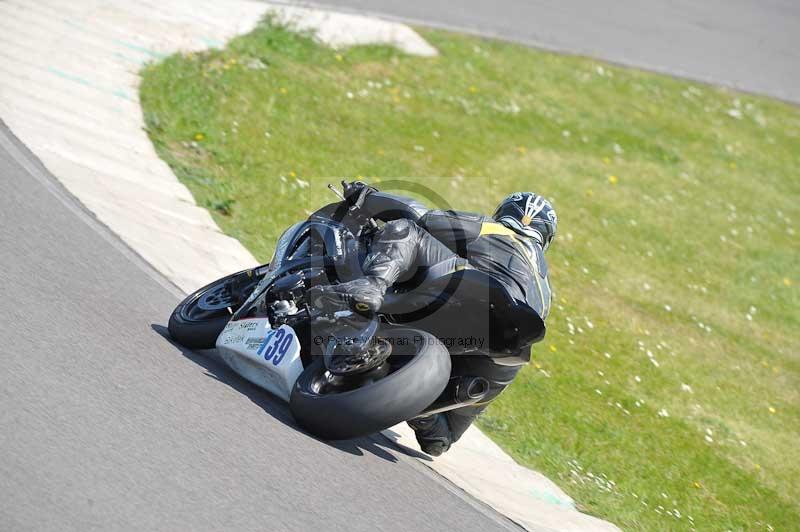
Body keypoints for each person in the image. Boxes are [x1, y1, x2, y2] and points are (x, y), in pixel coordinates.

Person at [308, 182, 556, 456]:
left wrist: (365, 196)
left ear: (504, 213)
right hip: (510, 342)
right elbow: (437, 446)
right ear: (546, 239)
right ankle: (427, 412)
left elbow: (419, 215)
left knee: (407, 230)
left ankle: (372, 286)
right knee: (444, 436)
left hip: (471, 291)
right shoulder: (545, 289)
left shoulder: (495, 229)